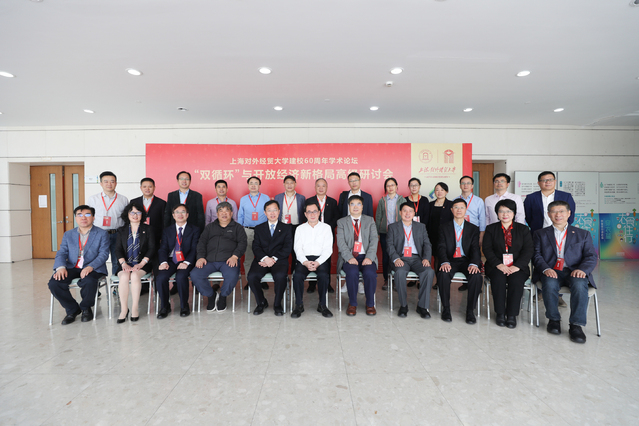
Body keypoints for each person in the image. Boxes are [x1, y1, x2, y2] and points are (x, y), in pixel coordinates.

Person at [533, 200, 597, 344]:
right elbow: (536, 255)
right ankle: (553, 319)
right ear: (549, 214)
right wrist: (546, 269)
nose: (558, 215)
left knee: (580, 285)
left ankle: (576, 325)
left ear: (569, 213)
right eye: (554, 211)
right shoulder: (540, 234)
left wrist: (582, 269)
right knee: (549, 284)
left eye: (561, 211)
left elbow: (591, 256)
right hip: (551, 270)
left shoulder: (582, 234)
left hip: (574, 270)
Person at [48, 205, 110, 325]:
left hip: (93, 267)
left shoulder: (102, 234)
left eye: (87, 215)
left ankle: (86, 308)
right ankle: (72, 309)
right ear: (75, 218)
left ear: (93, 217)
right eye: (79, 215)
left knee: (89, 281)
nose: (83, 218)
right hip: (72, 266)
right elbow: (62, 252)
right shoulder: (68, 234)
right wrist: (60, 267)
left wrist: (90, 266)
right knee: (54, 283)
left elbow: (103, 254)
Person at [523, 171, 576, 308]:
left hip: (560, 233)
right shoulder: (531, 197)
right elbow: (528, 216)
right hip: (540, 235)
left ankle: (558, 296)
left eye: (550, 179)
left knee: (560, 260)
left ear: (555, 181)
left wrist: (559, 226)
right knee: (540, 260)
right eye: (544, 180)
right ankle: (541, 291)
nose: (547, 182)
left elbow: (570, 216)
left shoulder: (565, 196)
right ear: (539, 183)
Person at [482, 199, 533, 328]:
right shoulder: (491, 229)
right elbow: (487, 249)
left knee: (516, 280)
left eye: (509, 211)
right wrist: (499, 264)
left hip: (518, 267)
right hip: (496, 266)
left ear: (514, 213)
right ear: (497, 213)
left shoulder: (523, 229)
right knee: (498, 279)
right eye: (501, 211)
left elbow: (528, 250)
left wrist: (517, 266)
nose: (505, 214)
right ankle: (500, 313)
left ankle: (511, 315)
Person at [190, 202, 247, 313]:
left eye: (227, 210)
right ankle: (211, 295)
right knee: (195, 274)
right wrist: (200, 257)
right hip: (209, 261)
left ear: (231, 213)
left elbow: (242, 244)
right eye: (221, 211)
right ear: (217, 214)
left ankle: (223, 296)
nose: (224, 213)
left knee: (232, 275)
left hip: (228, 260)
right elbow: (201, 243)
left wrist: (235, 256)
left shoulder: (238, 228)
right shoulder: (209, 227)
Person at [437, 198, 483, 324]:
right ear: (452, 210)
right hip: (450, 260)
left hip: (466, 261)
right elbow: (441, 247)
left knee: (476, 276)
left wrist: (474, 264)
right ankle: (446, 309)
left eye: (462, 207)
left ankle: (470, 311)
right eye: (456, 207)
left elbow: (475, 249)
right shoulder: (444, 227)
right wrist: (444, 262)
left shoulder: (473, 228)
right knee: (443, 274)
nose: (459, 210)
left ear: (466, 210)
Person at [386, 202, 435, 318]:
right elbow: (389, 245)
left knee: (429, 272)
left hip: (418, 259)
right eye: (405, 211)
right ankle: (403, 306)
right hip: (401, 258)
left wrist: (426, 258)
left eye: (410, 211)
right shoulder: (393, 227)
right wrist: (396, 258)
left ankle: (422, 306)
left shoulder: (421, 227)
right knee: (400, 272)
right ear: (400, 212)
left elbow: (427, 244)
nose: (407, 213)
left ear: (414, 213)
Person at [247, 200, 292, 316]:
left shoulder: (286, 228)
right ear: (265, 213)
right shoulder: (259, 228)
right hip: (262, 260)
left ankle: (277, 304)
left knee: (280, 276)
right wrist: (265, 258)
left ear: (279, 211)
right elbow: (256, 246)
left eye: (275, 210)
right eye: (269, 210)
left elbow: (287, 247)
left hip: (279, 260)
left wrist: (273, 259)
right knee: (252, 276)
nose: (272, 213)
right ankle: (261, 302)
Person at [336, 195, 379, 316]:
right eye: (352, 204)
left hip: (366, 256)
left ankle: (370, 304)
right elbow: (341, 243)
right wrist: (349, 257)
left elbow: (374, 240)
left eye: (358, 204)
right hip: (349, 257)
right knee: (352, 272)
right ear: (348, 206)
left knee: (370, 273)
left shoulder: (370, 220)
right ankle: (352, 303)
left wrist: (369, 257)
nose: (355, 207)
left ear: (362, 206)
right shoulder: (341, 222)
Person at [156, 204, 200, 319]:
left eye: (183, 212)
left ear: (187, 215)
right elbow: (163, 248)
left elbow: (195, 249)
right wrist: (163, 262)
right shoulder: (167, 230)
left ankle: (184, 306)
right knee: (161, 277)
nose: (180, 214)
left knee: (181, 277)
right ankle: (165, 306)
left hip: (186, 260)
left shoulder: (194, 230)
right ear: (173, 215)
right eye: (177, 212)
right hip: (171, 260)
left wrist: (186, 262)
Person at [114, 201, 156, 322]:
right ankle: (124, 309)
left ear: (142, 215)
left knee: (134, 275)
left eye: (138, 212)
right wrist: (124, 264)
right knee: (124, 276)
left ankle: (134, 308)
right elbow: (118, 249)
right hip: (125, 263)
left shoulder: (148, 229)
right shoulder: (121, 230)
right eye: (132, 212)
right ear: (127, 214)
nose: (135, 215)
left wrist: (141, 264)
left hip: (143, 263)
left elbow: (152, 248)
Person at [291, 200, 334, 319]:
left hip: (321, 259)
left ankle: (322, 305)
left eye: (315, 211)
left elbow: (328, 249)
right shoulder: (300, 229)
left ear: (319, 212)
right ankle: (299, 305)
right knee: (297, 276)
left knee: (324, 276)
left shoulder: (326, 228)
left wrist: (318, 262)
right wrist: (305, 262)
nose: (312, 214)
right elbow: (297, 248)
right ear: (305, 214)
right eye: (309, 212)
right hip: (304, 259)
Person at [87, 171, 129, 274]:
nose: (109, 184)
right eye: (106, 181)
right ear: (101, 183)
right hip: (99, 234)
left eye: (112, 181)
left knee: (117, 261)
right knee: (97, 260)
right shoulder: (93, 199)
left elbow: (127, 218)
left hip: (117, 234)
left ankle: (116, 283)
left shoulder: (123, 199)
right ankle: (97, 282)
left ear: (116, 183)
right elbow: (89, 217)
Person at [130, 177, 166, 295]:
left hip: (156, 238)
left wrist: (162, 238)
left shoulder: (161, 203)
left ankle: (158, 289)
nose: (147, 189)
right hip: (139, 239)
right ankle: (143, 288)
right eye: (144, 186)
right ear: (141, 188)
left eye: (150, 186)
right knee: (141, 261)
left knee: (156, 263)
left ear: (154, 188)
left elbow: (164, 222)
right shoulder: (134, 202)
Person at [237, 176, 271, 289]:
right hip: (248, 230)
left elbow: (269, 214)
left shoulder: (266, 198)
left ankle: (263, 280)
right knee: (248, 257)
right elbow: (240, 216)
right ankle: (249, 280)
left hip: (263, 231)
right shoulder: (243, 199)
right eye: (251, 183)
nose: (253, 185)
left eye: (256, 183)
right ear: (248, 185)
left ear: (259, 185)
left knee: (264, 256)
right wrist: (240, 231)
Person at [306, 178, 338, 294]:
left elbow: (336, 217)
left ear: (326, 187)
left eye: (323, 186)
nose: (321, 188)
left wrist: (326, 228)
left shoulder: (332, 202)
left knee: (327, 258)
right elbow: (305, 216)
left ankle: (327, 283)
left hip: (327, 234)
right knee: (312, 256)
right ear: (315, 187)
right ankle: (312, 284)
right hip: (312, 233)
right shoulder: (309, 201)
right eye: (318, 186)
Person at [455, 175, 485, 291]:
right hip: (459, 231)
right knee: (462, 255)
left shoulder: (478, 201)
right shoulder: (455, 201)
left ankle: (476, 282)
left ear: (472, 186)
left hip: (473, 232)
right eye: (463, 183)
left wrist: (481, 235)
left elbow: (482, 219)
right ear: (460, 185)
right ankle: (466, 282)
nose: (465, 185)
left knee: (474, 254)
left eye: (468, 183)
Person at [375, 177, 406, 291]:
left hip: (399, 233)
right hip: (385, 232)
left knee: (398, 255)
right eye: (388, 185)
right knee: (386, 256)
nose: (390, 187)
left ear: (397, 186)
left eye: (392, 185)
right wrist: (377, 232)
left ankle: (397, 279)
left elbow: (406, 216)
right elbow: (378, 217)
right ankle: (387, 279)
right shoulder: (382, 201)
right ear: (385, 188)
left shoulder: (402, 200)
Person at [273, 175, 306, 273]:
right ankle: (282, 274)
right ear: (284, 184)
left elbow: (303, 213)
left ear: (295, 184)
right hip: (282, 227)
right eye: (287, 183)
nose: (289, 185)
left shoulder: (301, 198)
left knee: (296, 251)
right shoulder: (278, 197)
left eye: (291, 183)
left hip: (297, 227)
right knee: (282, 250)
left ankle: (294, 275)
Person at [427, 182, 454, 289]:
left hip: (446, 236)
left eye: (442, 190)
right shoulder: (430, 205)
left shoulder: (451, 205)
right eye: (437, 189)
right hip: (432, 235)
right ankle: (436, 281)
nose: (439, 192)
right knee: (434, 258)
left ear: (446, 192)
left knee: (442, 257)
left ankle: (442, 280)